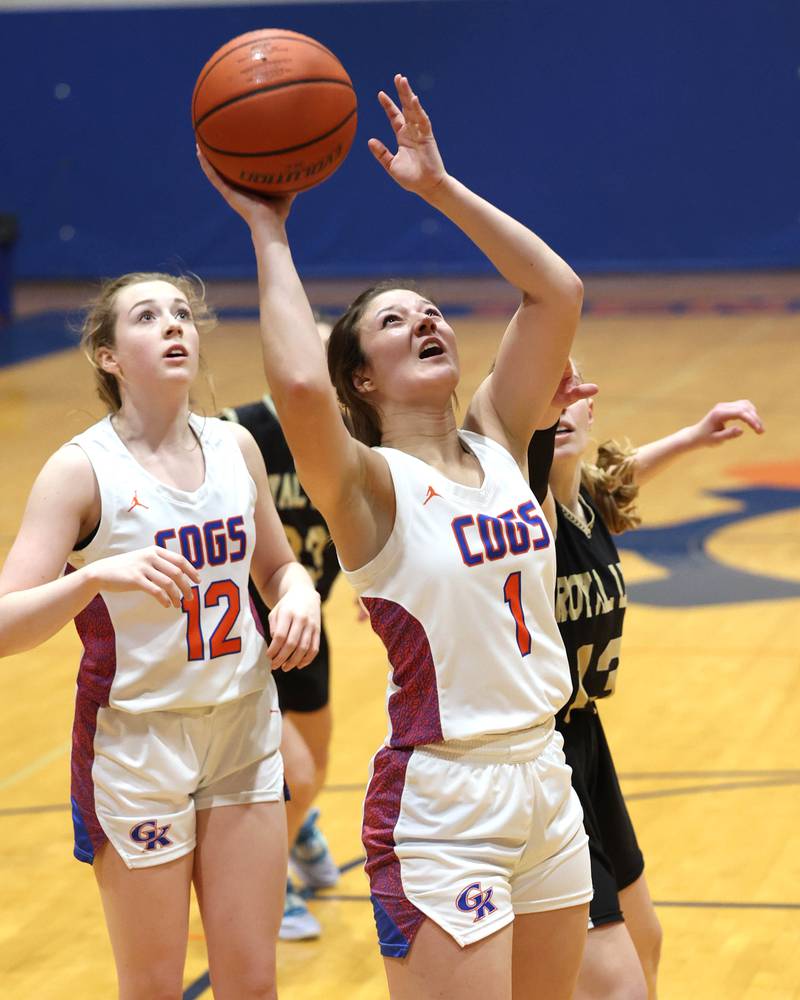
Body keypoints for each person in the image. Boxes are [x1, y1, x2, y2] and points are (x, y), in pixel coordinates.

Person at [200, 74, 598, 999]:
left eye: (429, 310)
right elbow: (299, 391)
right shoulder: (370, 486)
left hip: (545, 770)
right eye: (392, 320)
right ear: (364, 382)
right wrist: (269, 230)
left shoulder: (501, 434)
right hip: (444, 802)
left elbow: (557, 293)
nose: (424, 318)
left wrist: (440, 188)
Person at [0, 273, 321, 1000]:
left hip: (241, 727)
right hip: (137, 744)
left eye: (182, 313)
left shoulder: (236, 446)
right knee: (150, 986)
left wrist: (299, 593)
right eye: (147, 317)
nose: (174, 325)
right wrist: (89, 580)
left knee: (253, 982)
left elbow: (277, 569)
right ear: (109, 356)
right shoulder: (80, 470)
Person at [528, 385, 764, 999]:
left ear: (590, 406)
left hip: (587, 740)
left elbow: (613, 477)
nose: (558, 406)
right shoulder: (522, 511)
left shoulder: (583, 498)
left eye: (568, 390)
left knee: (645, 941)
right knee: (613, 985)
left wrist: (693, 435)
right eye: (540, 391)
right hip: (538, 753)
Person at [222, 377, 342, 942]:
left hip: (309, 619)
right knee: (295, 772)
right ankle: (273, 880)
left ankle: (296, 831)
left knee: (316, 767)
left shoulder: (344, 431)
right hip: (247, 626)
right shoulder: (238, 431)